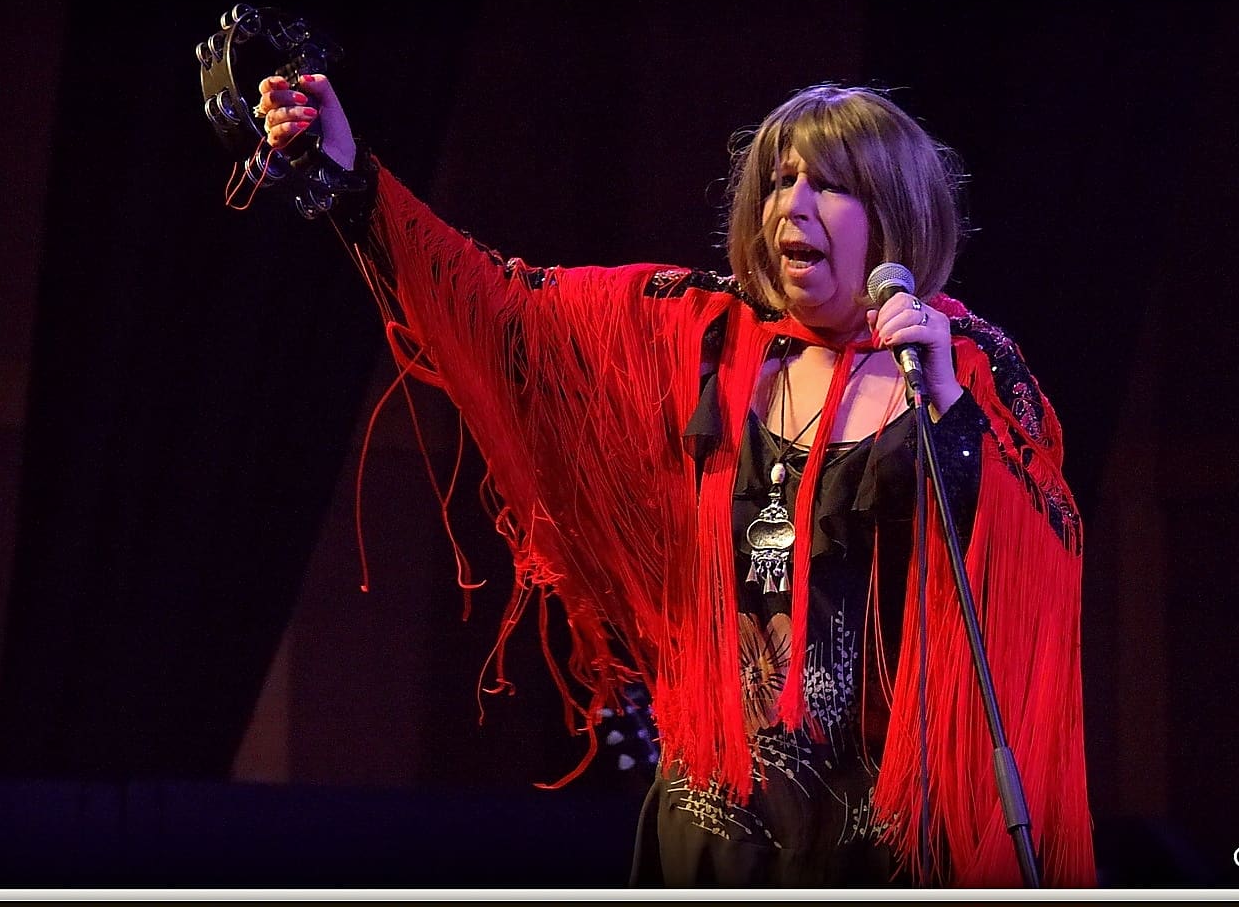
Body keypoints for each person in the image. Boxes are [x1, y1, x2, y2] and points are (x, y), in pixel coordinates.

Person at [253, 73, 1095, 888]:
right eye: (780, 181)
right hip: (710, 834)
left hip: (876, 845)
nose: (792, 205)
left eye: (829, 186)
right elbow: (502, 306)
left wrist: (948, 406)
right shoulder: (699, 335)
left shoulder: (961, 364)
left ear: (897, 215)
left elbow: (1040, 566)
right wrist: (354, 180)